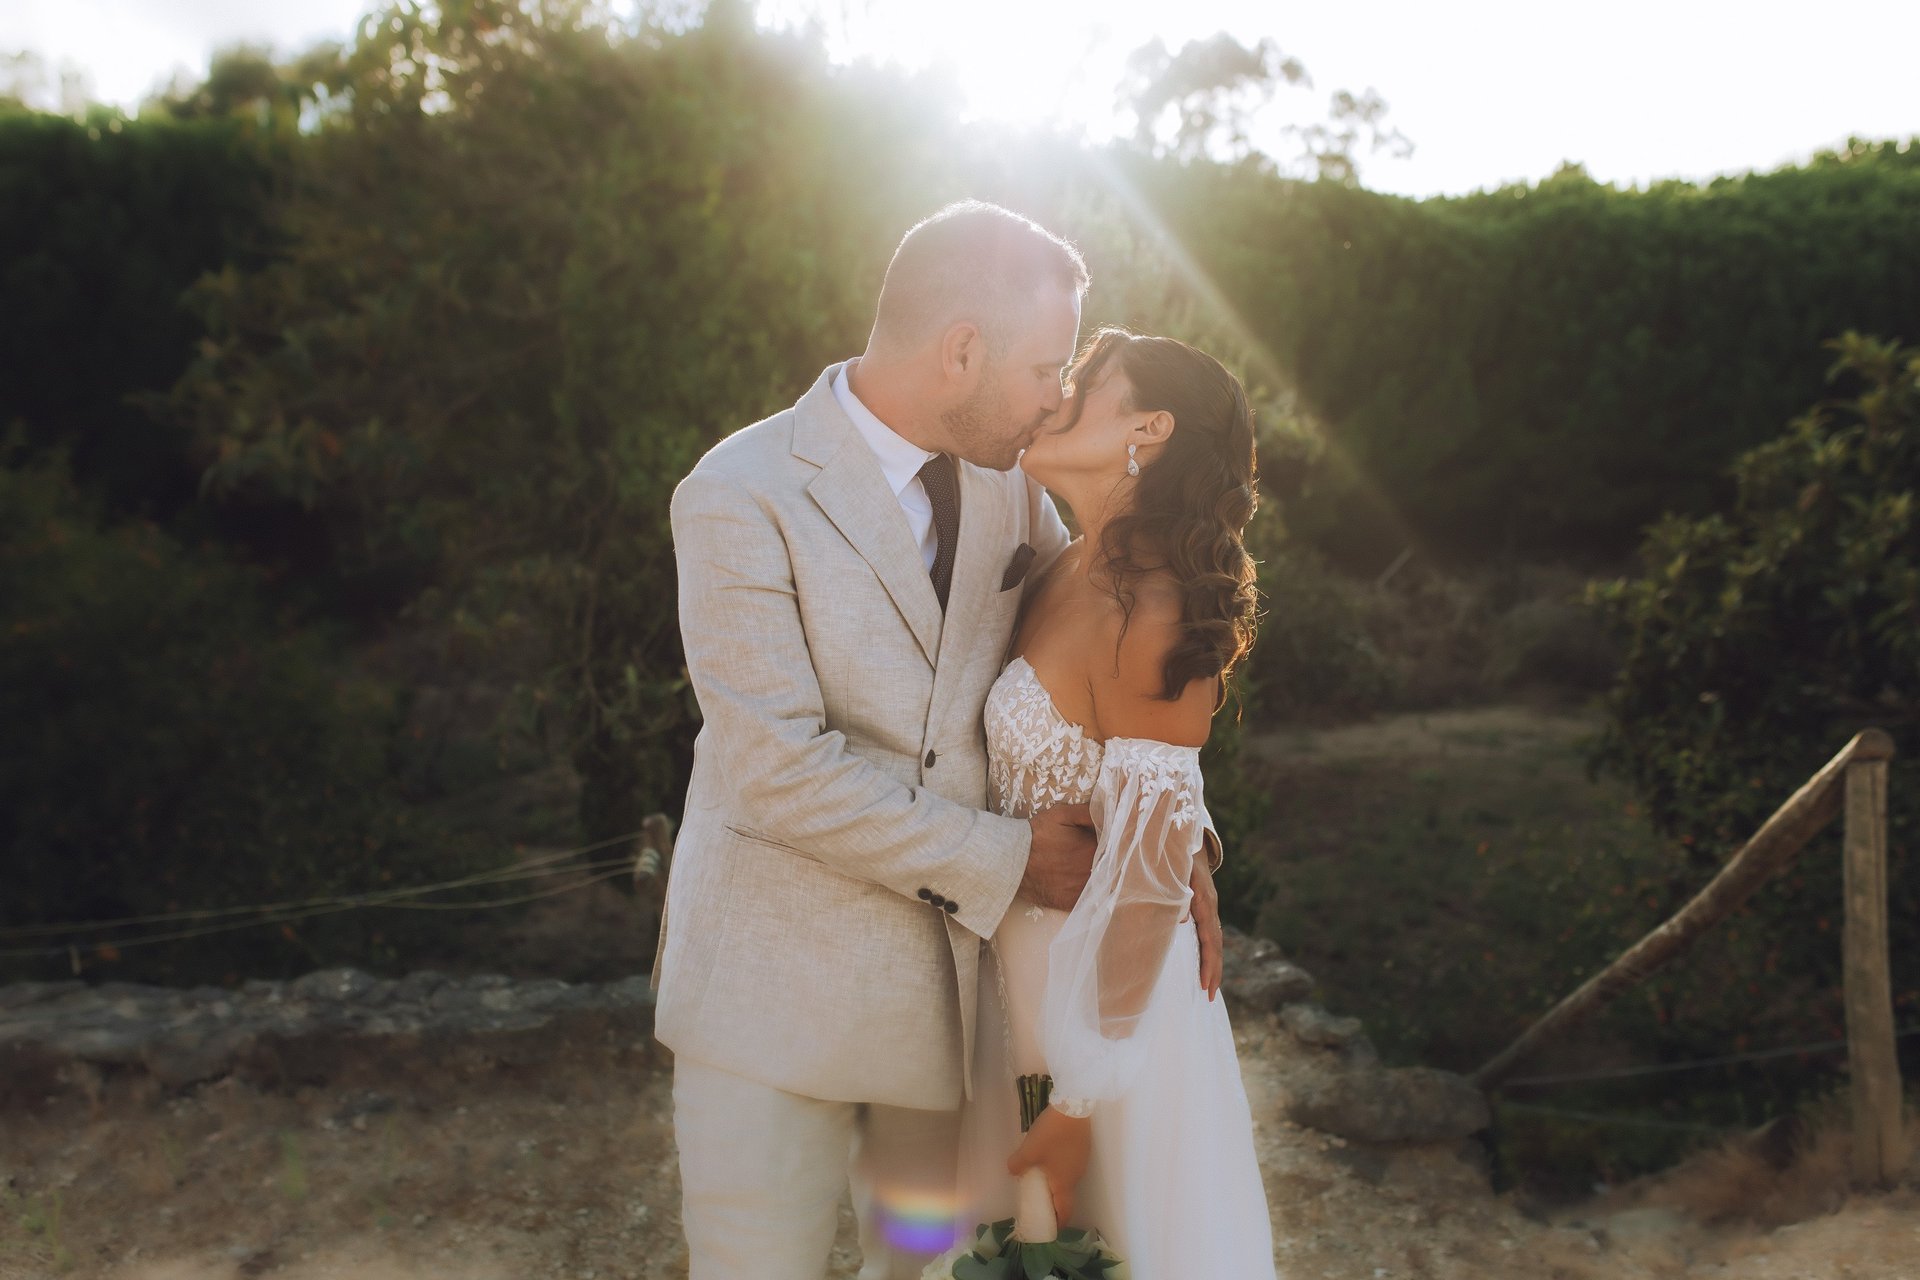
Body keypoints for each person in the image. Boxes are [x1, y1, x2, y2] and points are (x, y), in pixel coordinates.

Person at [655, 202, 1225, 1280]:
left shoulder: (1011, 481)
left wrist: (1173, 833)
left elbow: (1092, 673)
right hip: (774, 1000)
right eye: (1046, 368)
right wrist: (1012, 859)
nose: (1059, 397)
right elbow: (778, 770)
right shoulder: (739, 492)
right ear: (961, 349)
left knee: (922, 1272)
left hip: (951, 1012)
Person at [954, 327, 1276, 1278]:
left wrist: (1076, 1106)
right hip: (1018, 981)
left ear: (1151, 427)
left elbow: (1140, 887)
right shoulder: (1060, 563)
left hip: (1111, 1022)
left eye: (1087, 382)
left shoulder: (1160, 608)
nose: (1056, 398)